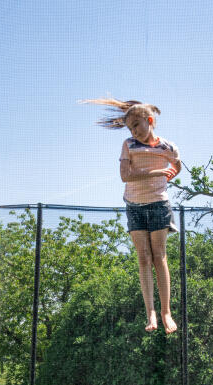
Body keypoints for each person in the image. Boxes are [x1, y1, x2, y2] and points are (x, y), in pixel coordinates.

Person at [81, 98, 181, 334]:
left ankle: (166, 312)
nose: (133, 131)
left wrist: (168, 175)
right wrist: (157, 171)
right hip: (134, 205)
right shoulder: (129, 145)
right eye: (130, 128)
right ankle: (151, 313)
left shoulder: (168, 147)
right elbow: (126, 175)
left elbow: (176, 167)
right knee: (143, 257)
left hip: (158, 204)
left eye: (136, 125)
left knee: (159, 256)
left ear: (150, 121)